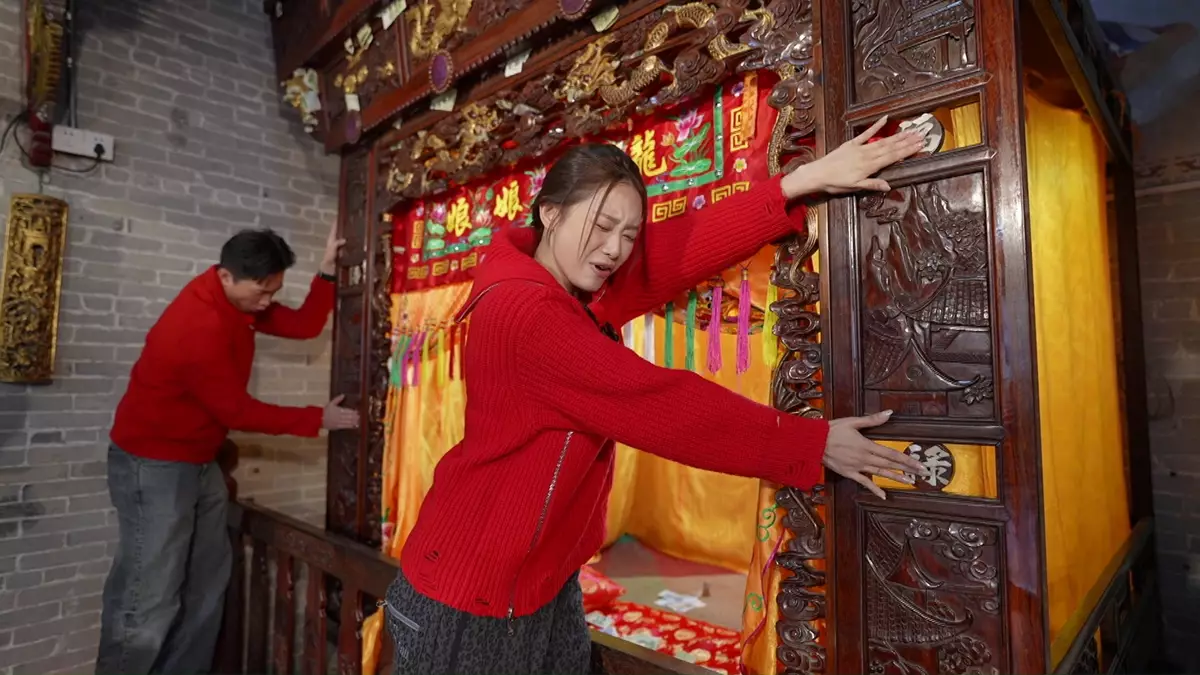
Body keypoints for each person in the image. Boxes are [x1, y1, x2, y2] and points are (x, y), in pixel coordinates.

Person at [381, 118, 930, 674]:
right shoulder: (529, 314)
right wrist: (812, 444)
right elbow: (658, 405)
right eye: (602, 226)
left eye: (628, 233)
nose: (615, 249)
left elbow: (670, 254)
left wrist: (798, 183)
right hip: (468, 595)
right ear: (550, 212)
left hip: (540, 582)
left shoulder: (566, 286)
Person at [96, 225, 360, 675]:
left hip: (199, 460)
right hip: (153, 465)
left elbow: (304, 325)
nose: (268, 302)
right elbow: (237, 410)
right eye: (262, 291)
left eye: (274, 291)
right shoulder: (197, 326)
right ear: (225, 276)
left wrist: (327, 272)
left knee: (207, 584)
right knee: (148, 596)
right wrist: (317, 418)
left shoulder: (242, 303)